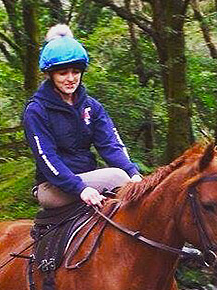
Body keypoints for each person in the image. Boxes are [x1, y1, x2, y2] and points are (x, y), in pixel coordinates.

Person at [22, 24, 142, 209]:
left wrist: (133, 173)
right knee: (116, 177)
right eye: (63, 73)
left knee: (125, 178)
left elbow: (110, 145)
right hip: (54, 186)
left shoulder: (92, 106)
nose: (71, 78)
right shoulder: (36, 111)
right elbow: (47, 158)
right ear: (50, 75)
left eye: (75, 72)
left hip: (89, 178)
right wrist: (80, 189)